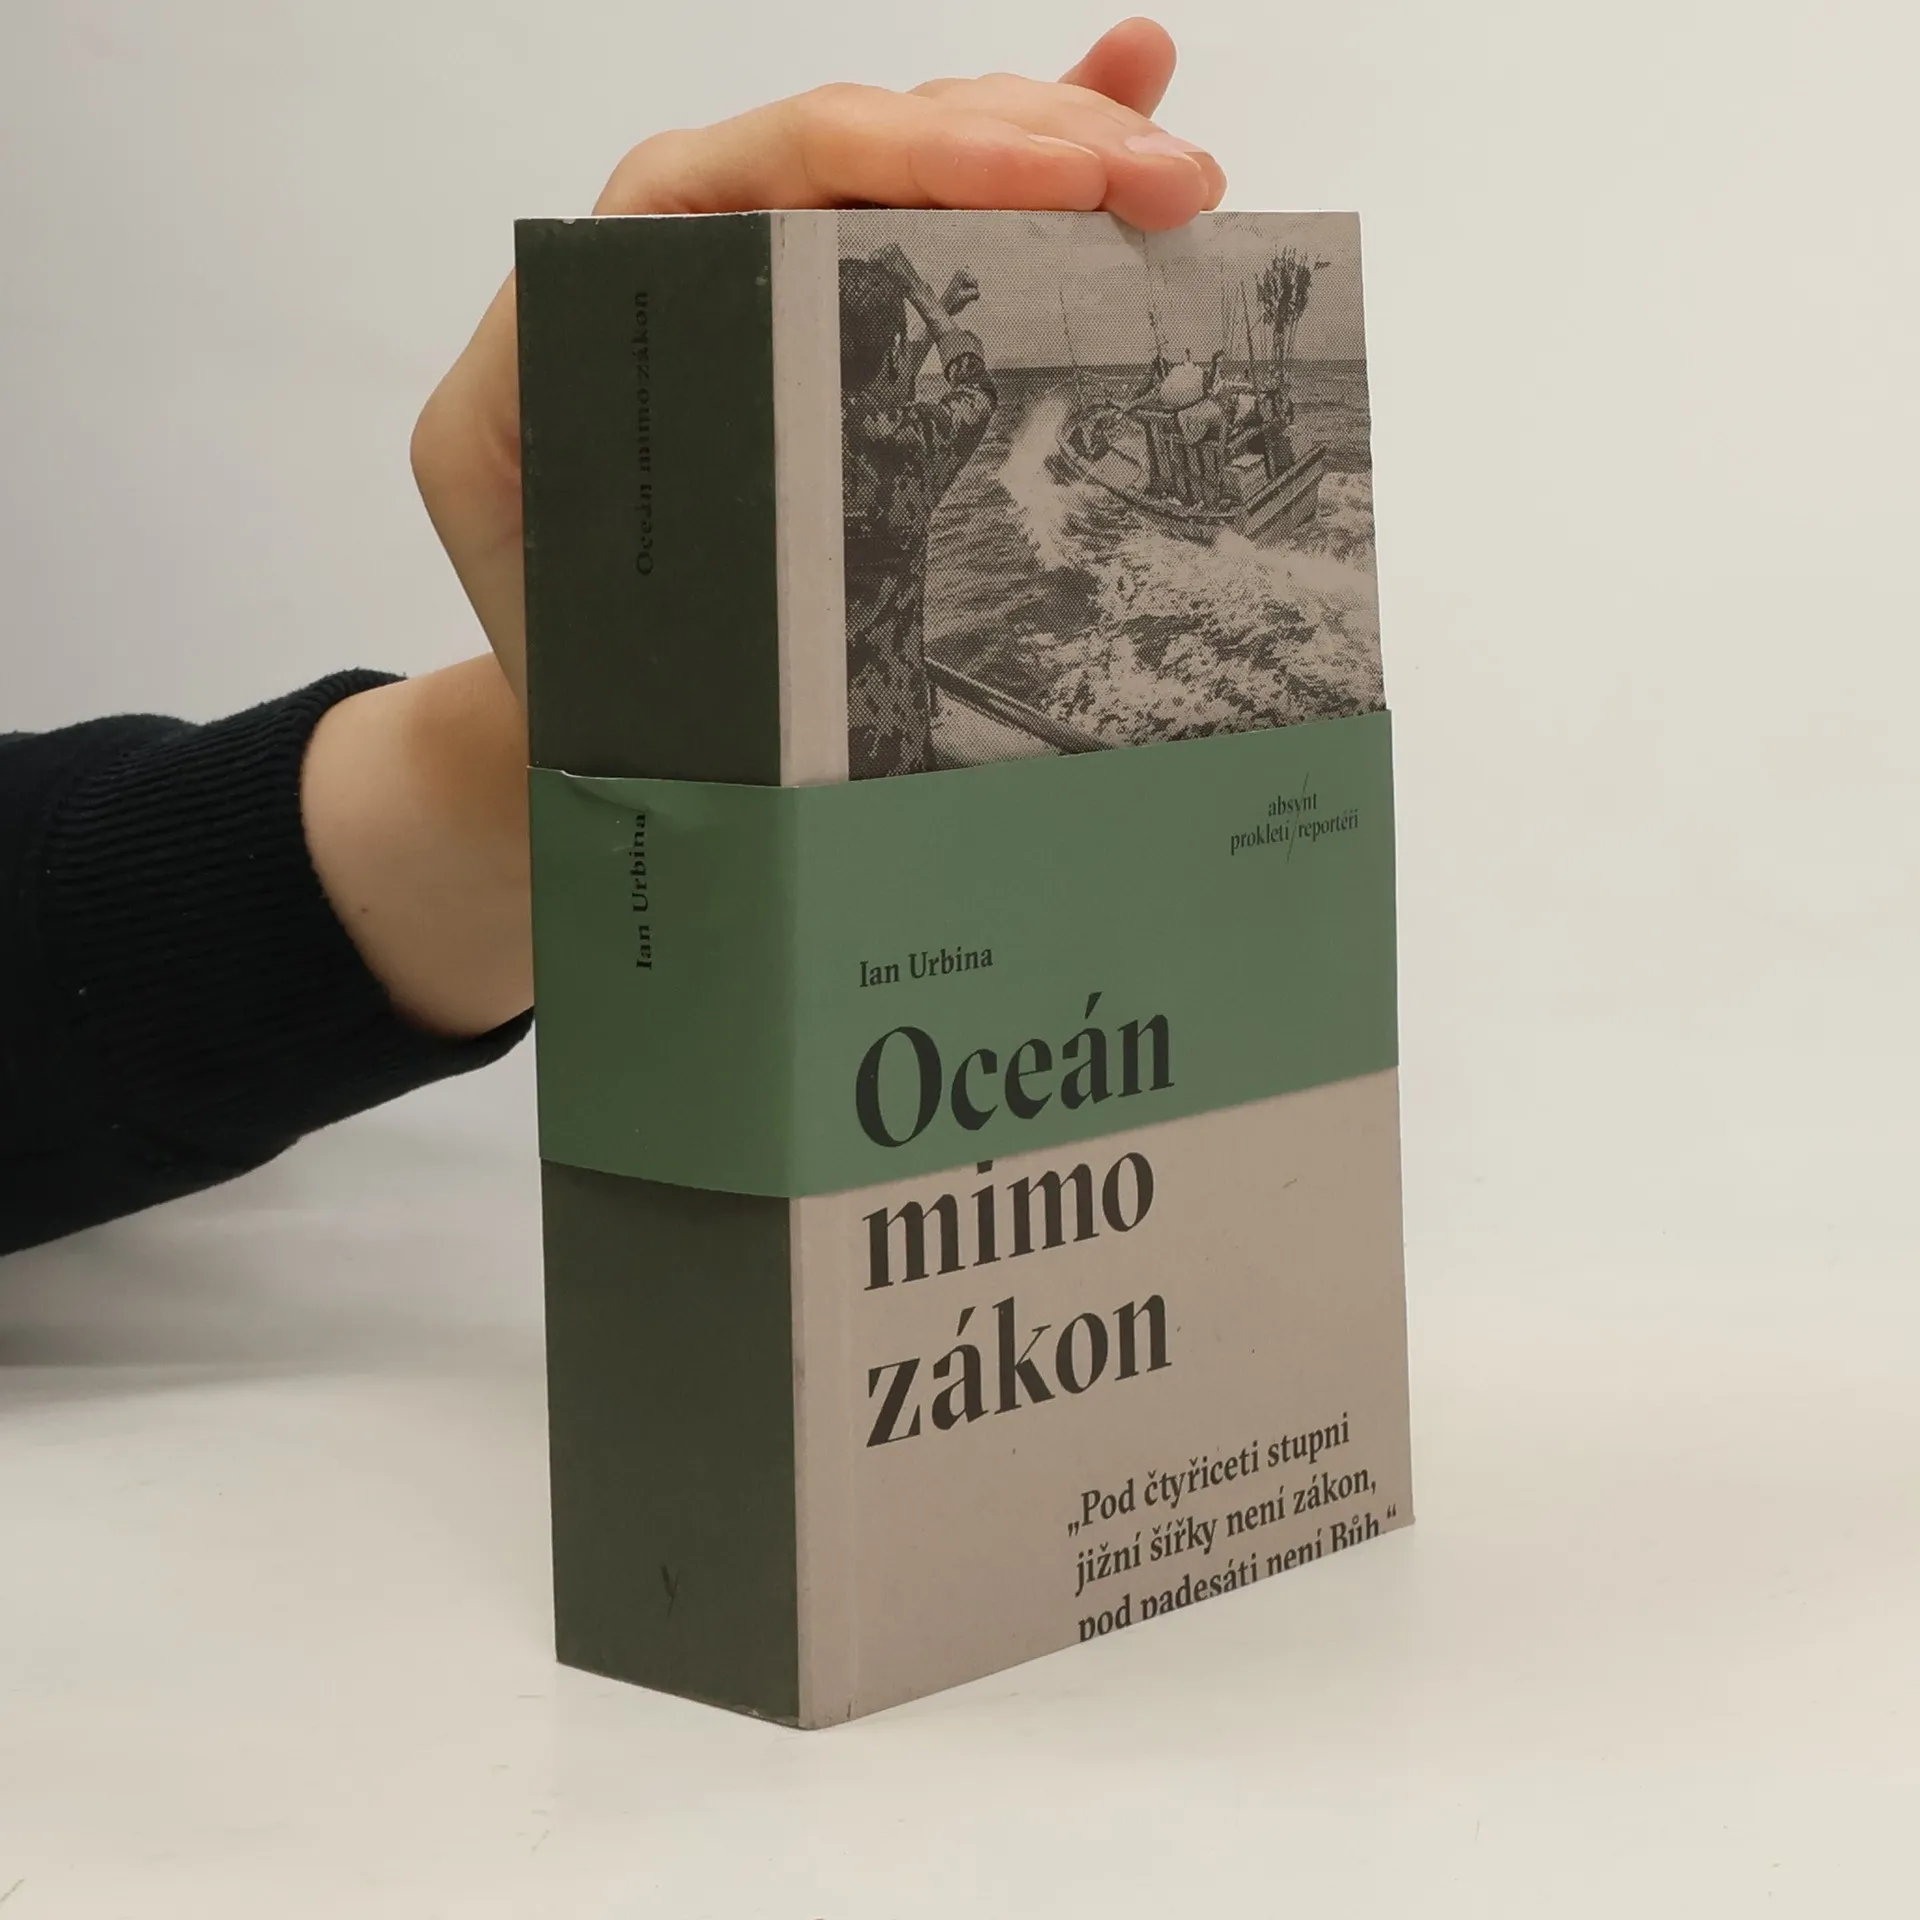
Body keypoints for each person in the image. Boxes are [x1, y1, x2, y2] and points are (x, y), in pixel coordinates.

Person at [0, 19, 1224, 1255]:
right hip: (886, 737)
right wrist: (926, 305)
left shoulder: (776, 445)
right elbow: (968, 380)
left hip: (796, 743)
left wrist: (600, 715)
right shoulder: (910, 445)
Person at [842, 243, 996, 778]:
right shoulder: (905, 447)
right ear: (891, 353)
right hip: (888, 748)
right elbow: (976, 388)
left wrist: (936, 309)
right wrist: (924, 298)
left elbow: (870, 394)